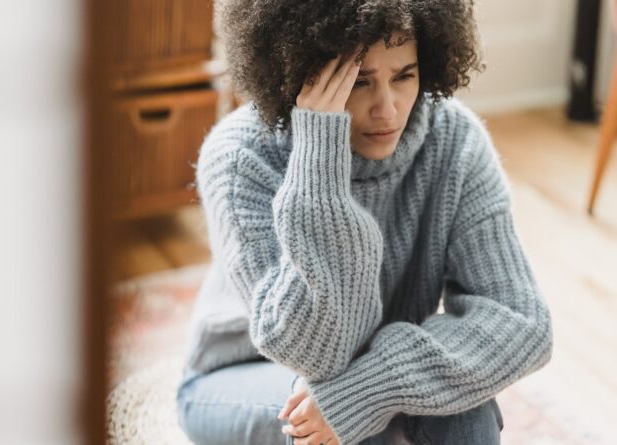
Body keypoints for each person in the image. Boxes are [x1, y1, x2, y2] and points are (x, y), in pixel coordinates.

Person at [176, 1, 553, 444]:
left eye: (404, 76)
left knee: (463, 410)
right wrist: (320, 158)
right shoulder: (242, 156)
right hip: (242, 373)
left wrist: (372, 387)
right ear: (300, 73)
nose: (388, 110)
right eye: (358, 81)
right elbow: (314, 354)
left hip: (367, 361)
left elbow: (522, 320)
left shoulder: (455, 142)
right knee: (352, 430)